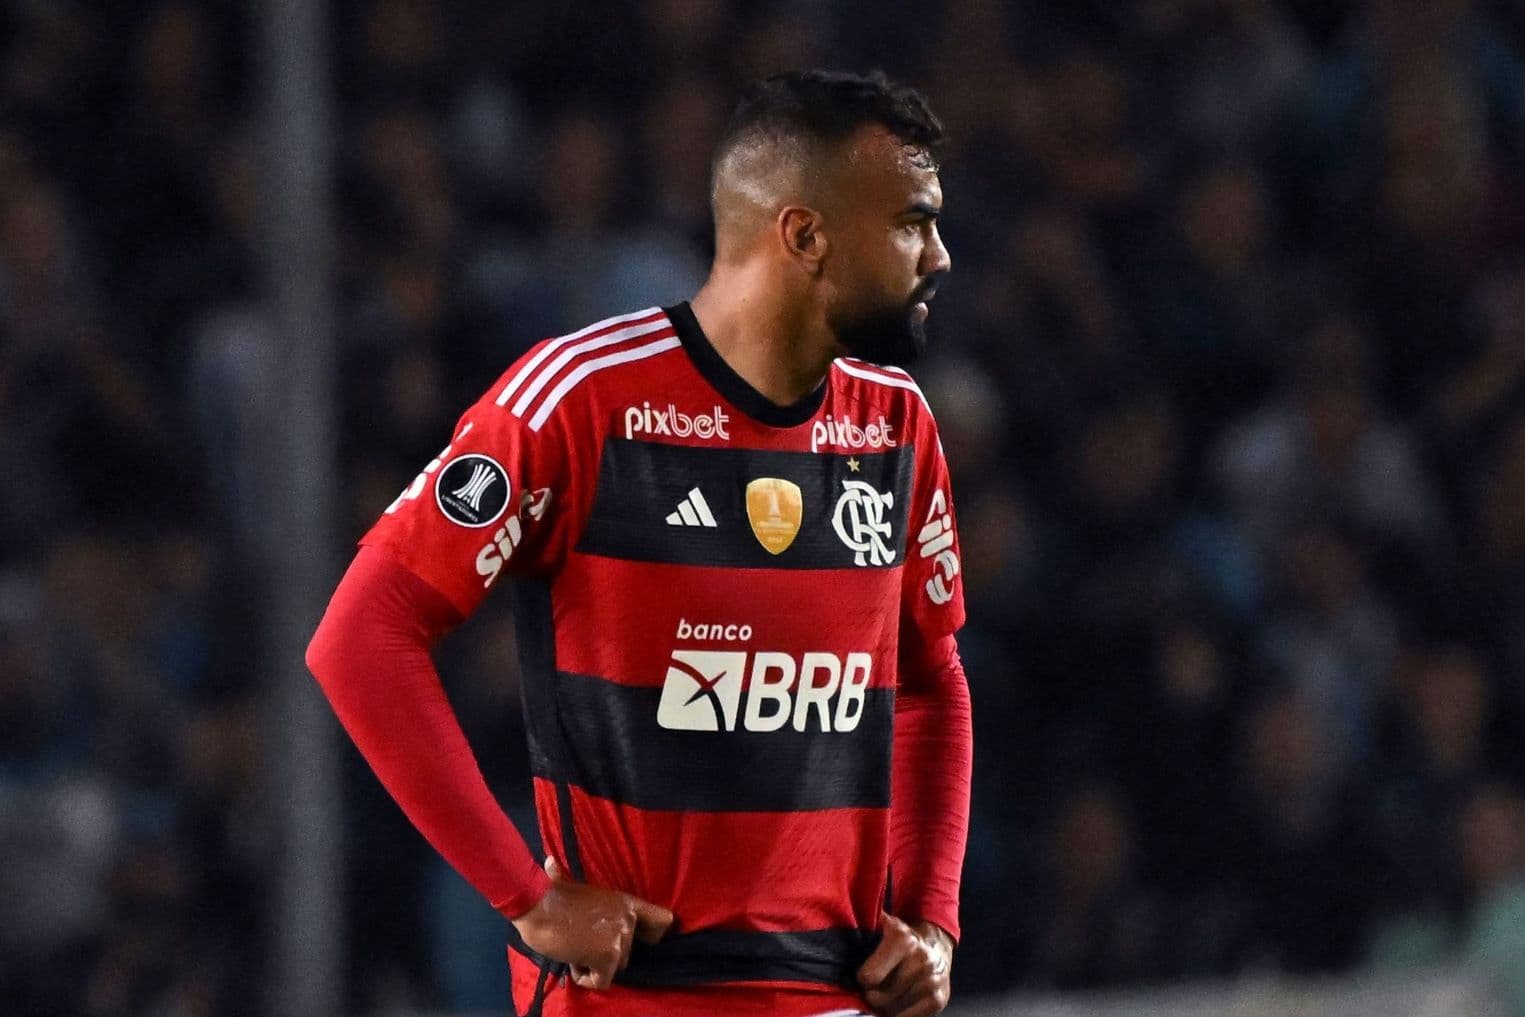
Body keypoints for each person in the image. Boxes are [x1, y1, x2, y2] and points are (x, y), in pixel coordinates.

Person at [307, 69, 971, 1017]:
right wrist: (525, 895)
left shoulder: (895, 427)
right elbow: (361, 637)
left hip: (834, 998)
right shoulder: (579, 400)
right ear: (804, 235)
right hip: (633, 998)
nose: (938, 255)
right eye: (911, 220)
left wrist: (933, 919)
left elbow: (930, 680)